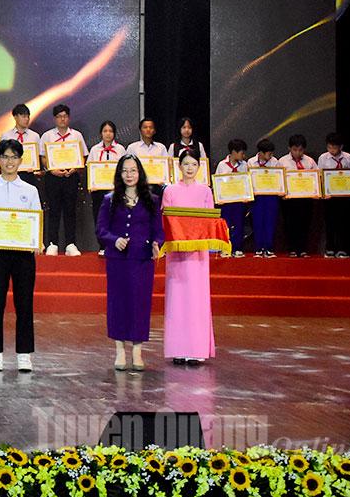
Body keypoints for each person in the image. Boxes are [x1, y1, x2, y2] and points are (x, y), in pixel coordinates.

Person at [0, 139, 42, 373]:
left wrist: (37, 241)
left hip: (24, 255)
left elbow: (35, 222)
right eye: (5, 157)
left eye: (14, 157)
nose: (9, 161)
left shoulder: (30, 191)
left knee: (24, 304)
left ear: (20, 161)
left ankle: (24, 354)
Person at [96, 154, 162, 373]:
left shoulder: (151, 200)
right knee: (118, 303)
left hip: (141, 260)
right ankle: (120, 351)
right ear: (119, 174)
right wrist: (115, 240)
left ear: (140, 173)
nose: (129, 175)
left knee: (140, 304)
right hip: (117, 260)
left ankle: (137, 352)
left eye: (133, 170)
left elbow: (158, 231)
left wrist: (156, 244)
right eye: (125, 171)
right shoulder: (109, 200)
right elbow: (101, 230)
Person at [161, 149, 216, 365]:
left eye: (194, 164)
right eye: (186, 164)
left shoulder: (205, 191)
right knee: (178, 299)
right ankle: (178, 349)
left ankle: (196, 350)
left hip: (198, 254)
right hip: (176, 253)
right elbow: (165, 219)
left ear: (199, 167)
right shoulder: (170, 191)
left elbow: (209, 221)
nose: (190, 168)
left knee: (197, 299)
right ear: (179, 166)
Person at [40, 104, 87, 256]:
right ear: (55, 119)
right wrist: (52, 169)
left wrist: (75, 168)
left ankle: (70, 244)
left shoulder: (76, 135)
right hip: (53, 178)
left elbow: (83, 156)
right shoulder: (47, 136)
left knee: (70, 210)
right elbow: (43, 157)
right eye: (59, 116)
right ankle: (52, 243)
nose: (62, 119)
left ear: (69, 118)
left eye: (65, 116)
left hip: (71, 177)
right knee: (53, 210)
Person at [317, 132, 350, 258]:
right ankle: (330, 248)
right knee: (330, 223)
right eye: (329, 147)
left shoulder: (348, 158)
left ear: (341, 147)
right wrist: (323, 192)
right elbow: (319, 176)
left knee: (343, 223)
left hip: (344, 196)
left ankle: (342, 249)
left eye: (334, 147)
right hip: (329, 197)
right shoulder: (323, 158)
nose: (332, 150)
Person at [86, 120, 125, 253]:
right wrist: (92, 184)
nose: (108, 134)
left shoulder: (120, 149)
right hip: (98, 190)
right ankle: (102, 245)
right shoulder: (95, 150)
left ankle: (114, 243)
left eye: (110, 131)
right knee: (99, 217)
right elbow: (89, 168)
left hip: (116, 190)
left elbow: (124, 169)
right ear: (101, 133)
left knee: (115, 216)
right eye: (105, 131)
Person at [277, 134, 315, 257]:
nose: (297, 153)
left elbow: (317, 177)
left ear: (304, 149)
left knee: (304, 223)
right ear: (289, 148)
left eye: (300, 150)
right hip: (289, 199)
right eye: (295, 149)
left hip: (306, 199)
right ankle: (292, 249)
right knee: (290, 223)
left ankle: (302, 248)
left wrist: (316, 191)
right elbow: (277, 178)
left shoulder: (309, 161)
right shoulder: (282, 161)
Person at [215, 139, 250, 257]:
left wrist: (247, 195)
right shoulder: (222, 165)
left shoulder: (244, 165)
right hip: (226, 202)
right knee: (226, 225)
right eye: (241, 153)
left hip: (240, 201)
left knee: (239, 223)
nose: (243, 155)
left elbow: (246, 182)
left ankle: (237, 248)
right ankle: (225, 248)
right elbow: (217, 183)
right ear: (234, 152)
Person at [247, 139, 280, 257]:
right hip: (257, 196)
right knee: (257, 222)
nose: (271, 156)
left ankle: (269, 247)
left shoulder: (275, 162)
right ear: (260, 153)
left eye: (272, 153)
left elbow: (279, 178)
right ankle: (258, 248)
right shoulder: (251, 162)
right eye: (268, 154)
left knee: (270, 222)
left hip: (271, 196)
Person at [1, 103, 41, 188]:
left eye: (28, 116)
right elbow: (2, 158)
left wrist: (35, 167)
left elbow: (38, 157)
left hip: (30, 175)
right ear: (15, 117)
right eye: (23, 116)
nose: (26, 119)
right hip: (11, 175)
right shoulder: (6, 136)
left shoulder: (35, 136)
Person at [127, 117, 169, 194]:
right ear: (140, 130)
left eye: (151, 127)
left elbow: (166, 168)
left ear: (154, 131)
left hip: (157, 186)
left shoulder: (161, 147)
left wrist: (165, 181)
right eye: (145, 127)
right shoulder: (132, 147)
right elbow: (128, 167)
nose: (148, 129)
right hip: (138, 186)